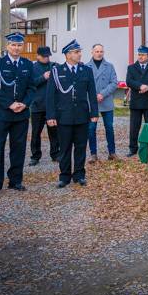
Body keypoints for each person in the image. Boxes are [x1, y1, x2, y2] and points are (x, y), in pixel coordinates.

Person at [0, 32, 34, 198]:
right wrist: (10, 104)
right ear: (7, 46)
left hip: (21, 114)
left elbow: (32, 88)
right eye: (13, 45)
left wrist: (24, 103)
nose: (16, 48)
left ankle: (15, 180)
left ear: (23, 46)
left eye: (19, 45)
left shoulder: (28, 64)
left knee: (18, 149)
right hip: (2, 114)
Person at [46, 40, 99, 187]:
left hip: (82, 116)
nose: (79, 54)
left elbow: (92, 93)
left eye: (79, 51)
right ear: (68, 55)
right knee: (65, 148)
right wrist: (50, 116)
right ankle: (64, 176)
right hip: (64, 116)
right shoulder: (57, 71)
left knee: (81, 146)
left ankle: (79, 175)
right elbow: (50, 95)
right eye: (76, 52)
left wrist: (94, 112)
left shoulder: (86, 70)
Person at [125, 46, 148, 158]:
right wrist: (140, 86)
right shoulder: (131, 68)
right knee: (134, 127)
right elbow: (129, 81)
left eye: (143, 55)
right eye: (139, 54)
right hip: (136, 102)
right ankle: (133, 149)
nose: (140, 56)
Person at [85, 44, 118, 162]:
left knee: (109, 127)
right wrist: (94, 95)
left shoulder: (109, 66)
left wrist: (102, 94)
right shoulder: (85, 67)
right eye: (97, 51)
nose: (99, 53)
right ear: (92, 52)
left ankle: (112, 153)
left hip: (106, 101)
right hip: (91, 102)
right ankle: (93, 154)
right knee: (91, 128)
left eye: (101, 51)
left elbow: (114, 83)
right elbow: (83, 85)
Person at [28, 46, 58, 166]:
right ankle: (35, 156)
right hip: (37, 106)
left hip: (51, 106)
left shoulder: (54, 66)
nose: (46, 58)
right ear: (38, 56)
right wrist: (43, 77)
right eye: (44, 56)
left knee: (54, 132)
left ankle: (55, 154)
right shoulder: (32, 68)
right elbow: (30, 84)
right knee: (36, 133)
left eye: (48, 56)